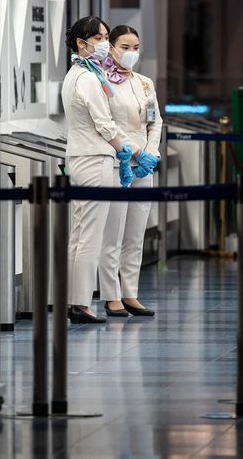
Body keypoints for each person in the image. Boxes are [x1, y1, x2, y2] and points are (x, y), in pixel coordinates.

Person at [62, 16, 139, 324]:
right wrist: (131, 150)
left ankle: (76, 300)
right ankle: (80, 304)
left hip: (87, 156)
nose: (104, 43)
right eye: (99, 38)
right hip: (93, 158)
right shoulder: (87, 78)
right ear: (82, 44)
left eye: (106, 36)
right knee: (89, 234)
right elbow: (104, 124)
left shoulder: (84, 74)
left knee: (81, 233)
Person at [98, 25, 162, 318]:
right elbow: (106, 124)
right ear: (111, 47)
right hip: (116, 162)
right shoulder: (101, 81)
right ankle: (111, 297)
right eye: (125, 47)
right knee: (113, 233)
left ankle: (130, 293)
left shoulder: (145, 83)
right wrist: (132, 152)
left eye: (135, 47)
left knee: (136, 233)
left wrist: (150, 153)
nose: (131, 53)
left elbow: (155, 121)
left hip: (143, 165)